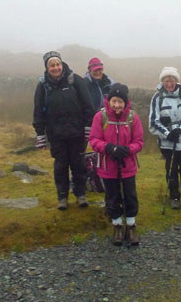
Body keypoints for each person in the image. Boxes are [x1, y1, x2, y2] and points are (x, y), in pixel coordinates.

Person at [33, 51, 95, 210]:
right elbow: (38, 111)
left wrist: (88, 128)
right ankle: (62, 197)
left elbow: (88, 106)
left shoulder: (76, 81)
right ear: (47, 68)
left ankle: (80, 194)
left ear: (62, 65)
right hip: (56, 135)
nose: (56, 68)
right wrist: (40, 134)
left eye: (58, 64)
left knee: (79, 164)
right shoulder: (43, 86)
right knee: (60, 166)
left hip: (77, 133)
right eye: (52, 65)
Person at [89, 83, 144, 245]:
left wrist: (128, 150)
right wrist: (109, 148)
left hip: (128, 165)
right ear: (109, 100)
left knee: (130, 196)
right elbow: (93, 140)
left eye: (120, 101)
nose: (117, 105)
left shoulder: (133, 118)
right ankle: (117, 226)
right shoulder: (100, 117)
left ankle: (131, 226)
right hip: (108, 165)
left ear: (126, 102)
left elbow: (139, 142)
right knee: (112, 196)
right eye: (114, 101)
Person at [148, 66, 181, 213]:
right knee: (171, 170)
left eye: (172, 80)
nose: (170, 84)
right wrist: (167, 133)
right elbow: (153, 121)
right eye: (167, 80)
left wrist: (180, 129)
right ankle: (174, 197)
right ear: (162, 81)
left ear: (176, 80)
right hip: (167, 143)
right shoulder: (157, 98)